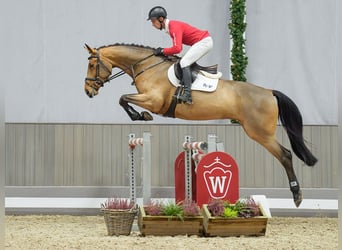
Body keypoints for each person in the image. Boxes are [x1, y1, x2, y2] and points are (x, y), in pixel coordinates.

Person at [147, 6, 213, 104]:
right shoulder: (170, 28)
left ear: (161, 19)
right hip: (201, 42)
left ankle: (187, 95)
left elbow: (177, 48)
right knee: (180, 60)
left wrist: (162, 51)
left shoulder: (173, 27)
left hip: (204, 42)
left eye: (153, 21)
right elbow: (177, 49)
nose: (152, 24)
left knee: (184, 62)